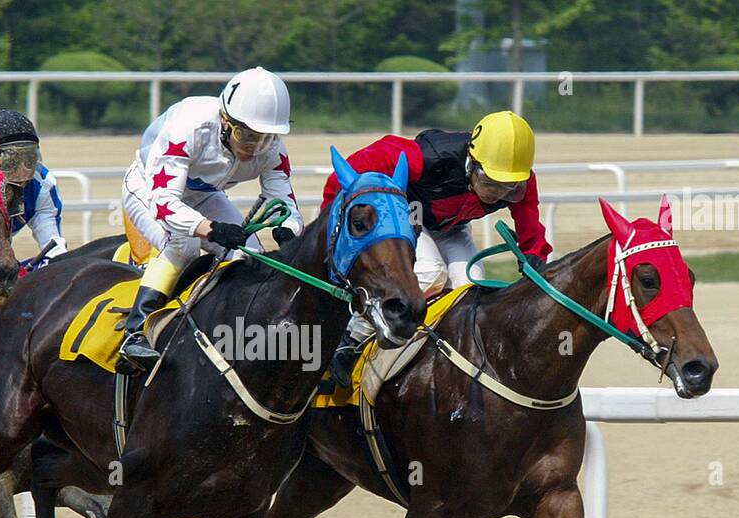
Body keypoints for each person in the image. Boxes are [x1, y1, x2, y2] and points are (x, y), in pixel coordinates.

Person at [321, 110, 552, 387]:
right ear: (471, 164)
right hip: (409, 219)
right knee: (432, 273)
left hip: (452, 227)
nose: (498, 194)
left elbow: (530, 226)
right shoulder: (429, 158)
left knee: (471, 288)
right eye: (490, 182)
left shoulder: (520, 180)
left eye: (509, 188)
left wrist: (536, 255)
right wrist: (329, 212)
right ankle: (349, 340)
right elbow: (367, 160)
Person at [116, 66, 303, 373]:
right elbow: (164, 204)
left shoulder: (272, 147)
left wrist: (289, 231)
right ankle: (135, 333)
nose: (254, 148)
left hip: (203, 193)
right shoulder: (188, 127)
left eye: (266, 139)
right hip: (150, 188)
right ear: (225, 121)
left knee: (250, 255)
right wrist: (211, 229)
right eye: (246, 135)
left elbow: (283, 200)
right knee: (185, 244)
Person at [0, 108, 68, 270]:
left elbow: (54, 249)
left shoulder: (41, 185)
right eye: (12, 161)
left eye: (29, 159)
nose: (23, 171)